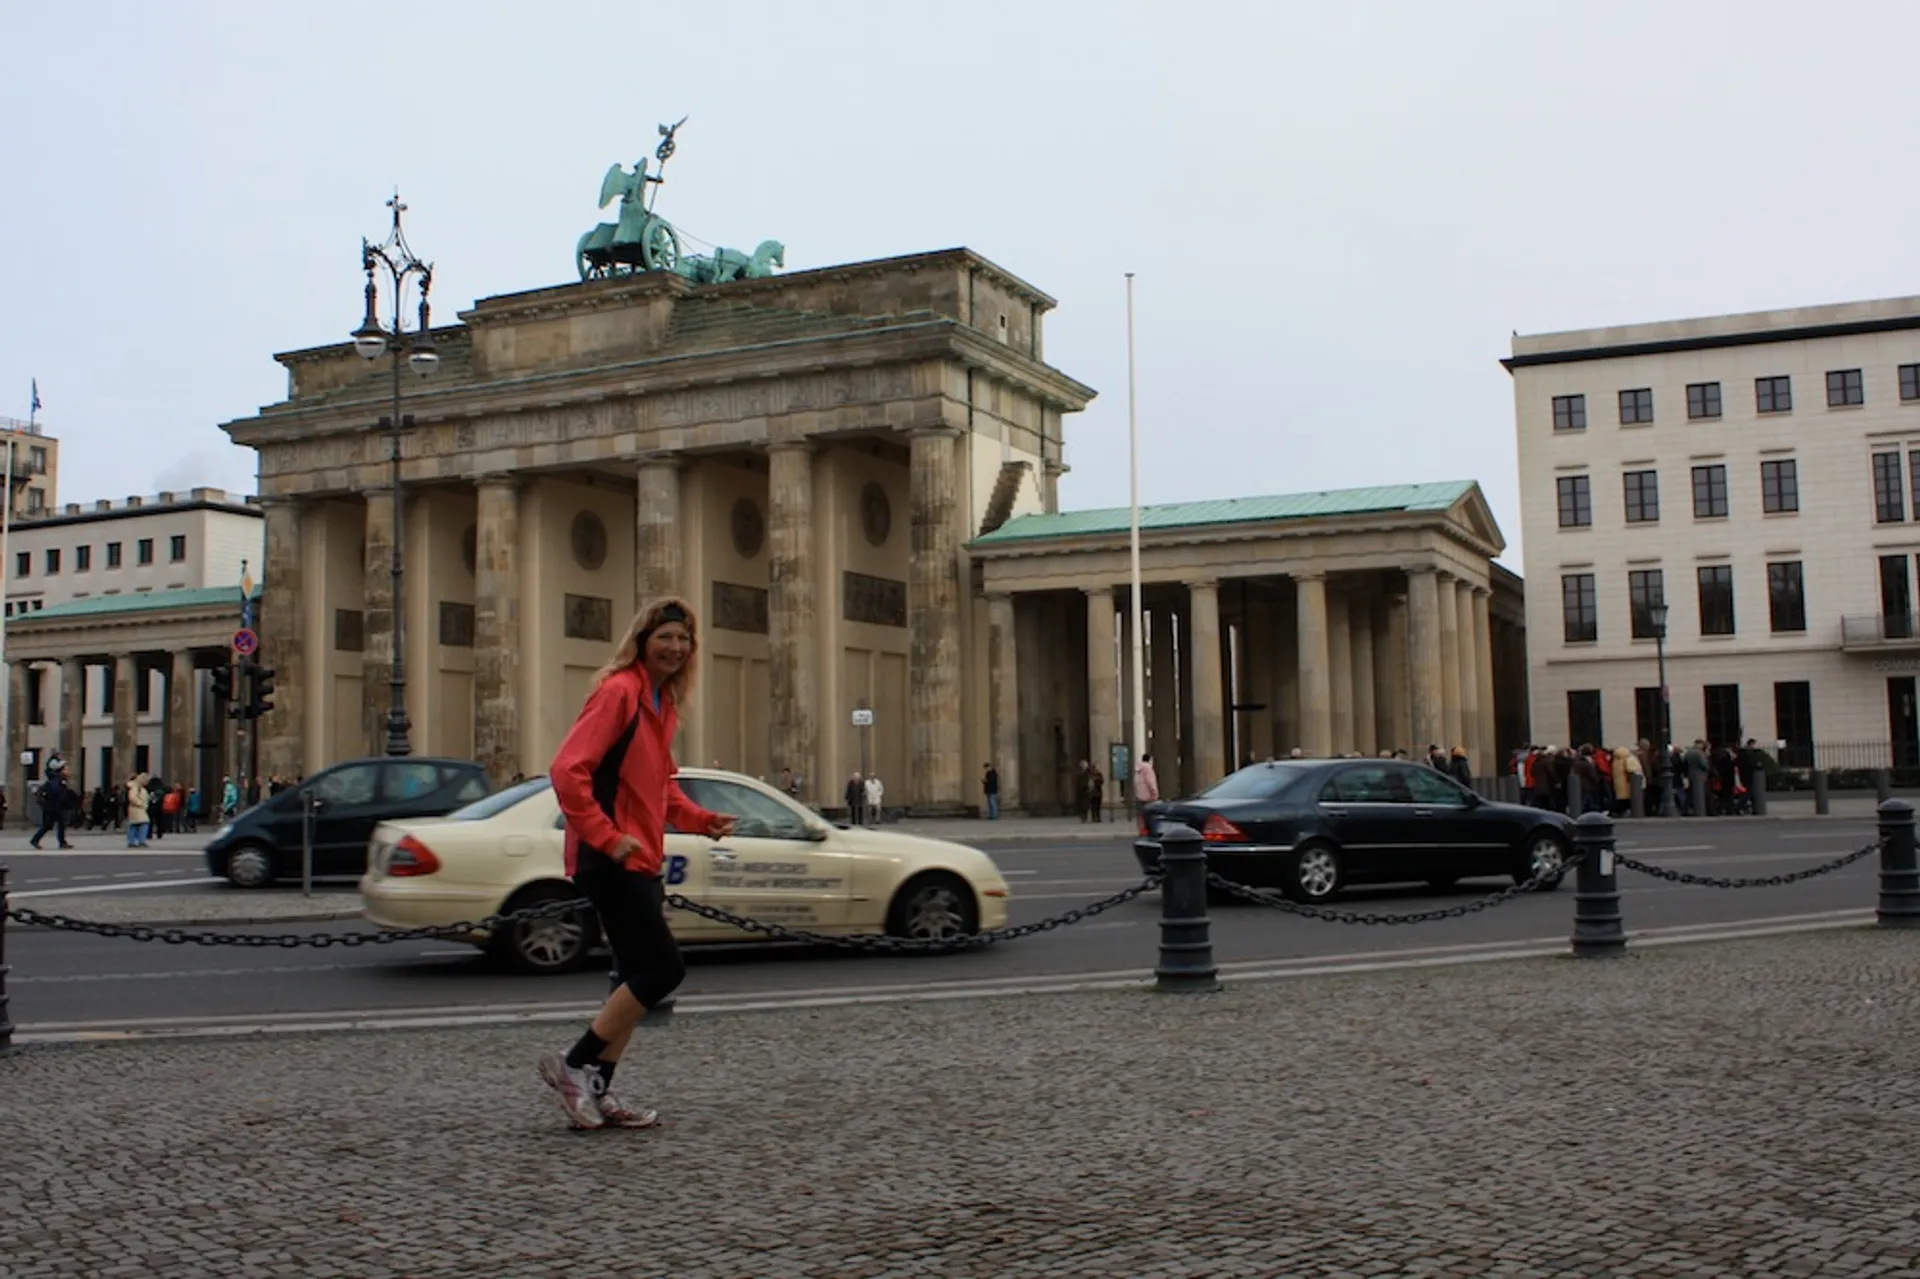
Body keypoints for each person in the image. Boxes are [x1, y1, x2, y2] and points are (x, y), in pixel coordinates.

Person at [537, 597, 734, 1131]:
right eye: (664, 637)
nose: (674, 647)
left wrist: (700, 819)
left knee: (633, 975)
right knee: (663, 969)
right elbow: (567, 770)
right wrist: (609, 837)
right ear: (642, 641)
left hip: (641, 857)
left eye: (683, 640)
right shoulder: (619, 692)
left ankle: (598, 1089)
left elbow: (658, 791)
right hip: (610, 857)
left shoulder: (660, 703)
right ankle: (574, 1065)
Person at [30, 770, 73, 849]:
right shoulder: (56, 782)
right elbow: (59, 794)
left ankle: (35, 840)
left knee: (52, 825)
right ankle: (61, 842)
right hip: (54, 808)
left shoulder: (49, 783)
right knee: (58, 824)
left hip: (51, 807)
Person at [125, 773, 152, 847]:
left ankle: (131, 841)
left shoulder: (137, 787)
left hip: (136, 809)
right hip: (138, 808)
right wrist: (141, 804)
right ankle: (141, 840)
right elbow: (132, 797)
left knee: (134, 825)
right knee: (144, 824)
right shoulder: (136, 787)